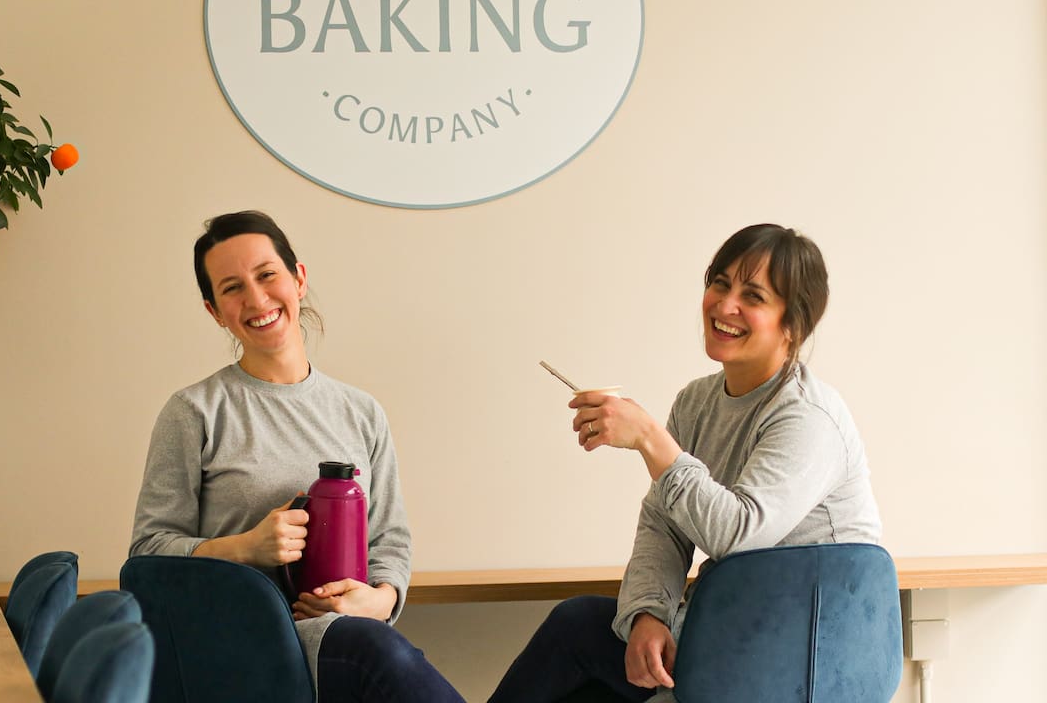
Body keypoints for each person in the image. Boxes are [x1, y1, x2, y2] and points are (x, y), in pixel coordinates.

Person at [488, 223, 882, 703]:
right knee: (592, 669)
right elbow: (664, 525)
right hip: (736, 632)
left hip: (811, 650)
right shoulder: (696, 402)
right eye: (720, 283)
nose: (725, 305)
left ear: (792, 325)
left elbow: (739, 534)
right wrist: (647, 615)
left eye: (753, 296)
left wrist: (650, 439)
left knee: (578, 629)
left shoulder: (808, 416)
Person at [130, 210, 463, 703]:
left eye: (267, 275)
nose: (256, 299)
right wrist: (245, 547)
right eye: (232, 288)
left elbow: (389, 540)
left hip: (349, 635)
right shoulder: (193, 412)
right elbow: (147, 554)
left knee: (381, 646)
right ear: (214, 311)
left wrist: (378, 601)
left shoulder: (362, 413)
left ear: (298, 279)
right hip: (238, 648)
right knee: (379, 653)